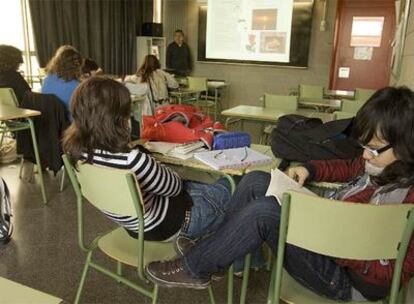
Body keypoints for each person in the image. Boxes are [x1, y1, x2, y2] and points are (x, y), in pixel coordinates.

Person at [146, 86, 414, 302]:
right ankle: (212, 250)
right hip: (327, 232)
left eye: (375, 149)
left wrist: (330, 236)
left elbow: (393, 271)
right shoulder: (380, 164)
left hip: (344, 278)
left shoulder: (407, 197)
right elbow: (348, 165)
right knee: (255, 180)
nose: (366, 154)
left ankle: (196, 267)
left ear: (404, 145)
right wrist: (309, 169)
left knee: (266, 212)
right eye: (363, 146)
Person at [63, 76, 234, 243]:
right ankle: (230, 257)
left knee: (211, 190)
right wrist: (151, 161)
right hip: (168, 226)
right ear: (116, 120)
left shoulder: (76, 154)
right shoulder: (133, 160)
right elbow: (174, 187)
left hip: (133, 226)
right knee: (235, 186)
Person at [41, 45, 82, 114]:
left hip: (49, 119)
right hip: (69, 122)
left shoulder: (47, 80)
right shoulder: (76, 87)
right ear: (77, 66)